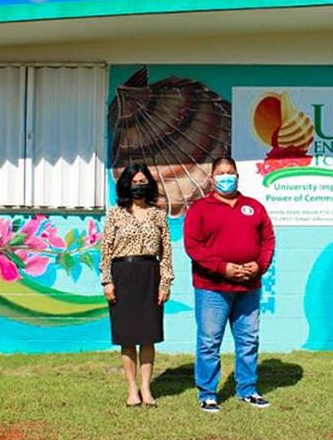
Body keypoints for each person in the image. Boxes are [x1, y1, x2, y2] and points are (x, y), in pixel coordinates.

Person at [184, 156, 276, 413]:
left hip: (249, 287)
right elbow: (193, 247)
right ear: (212, 178)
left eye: (230, 172)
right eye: (221, 173)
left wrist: (259, 265)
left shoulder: (254, 207)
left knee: (248, 340)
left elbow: (268, 240)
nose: (226, 177)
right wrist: (222, 268)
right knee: (209, 342)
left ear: (238, 176)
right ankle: (208, 393)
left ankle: (248, 389)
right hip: (212, 288)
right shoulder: (200, 209)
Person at [100, 164, 174, 407]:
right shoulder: (115, 214)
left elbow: (166, 252)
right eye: (134, 182)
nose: (138, 186)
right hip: (122, 275)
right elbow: (106, 250)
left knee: (148, 336)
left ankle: (146, 388)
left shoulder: (158, 214)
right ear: (126, 185)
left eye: (143, 181)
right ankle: (132, 389)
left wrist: (165, 282)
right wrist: (107, 280)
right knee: (127, 337)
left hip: (149, 275)